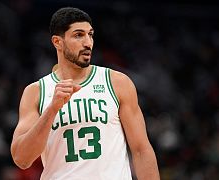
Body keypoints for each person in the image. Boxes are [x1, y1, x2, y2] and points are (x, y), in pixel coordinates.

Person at [11, 7, 160, 180]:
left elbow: (141, 150)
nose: (88, 43)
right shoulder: (36, 91)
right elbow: (22, 159)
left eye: (90, 34)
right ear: (58, 42)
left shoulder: (117, 82)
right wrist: (52, 110)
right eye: (78, 35)